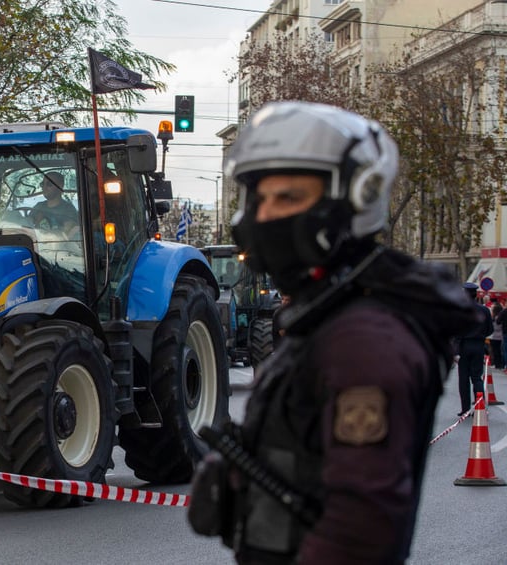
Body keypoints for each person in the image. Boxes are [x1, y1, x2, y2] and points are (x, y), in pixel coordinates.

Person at [187, 101, 479, 564]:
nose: (265, 216)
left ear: (357, 198)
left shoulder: (363, 338)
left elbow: (359, 529)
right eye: (258, 199)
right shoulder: (323, 316)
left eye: (288, 197)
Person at [456, 282, 493, 415]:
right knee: (477, 378)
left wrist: (455, 351)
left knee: (463, 379)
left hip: (463, 346)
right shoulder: (484, 310)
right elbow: (490, 329)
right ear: (476, 294)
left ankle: (465, 409)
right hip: (478, 346)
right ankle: (479, 407)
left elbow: (456, 331)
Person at [489, 302, 504, 370]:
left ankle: (496, 364)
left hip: (495, 336)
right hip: (501, 336)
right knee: (499, 351)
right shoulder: (501, 316)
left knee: (495, 351)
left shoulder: (495, 318)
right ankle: (499, 364)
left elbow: (494, 327)